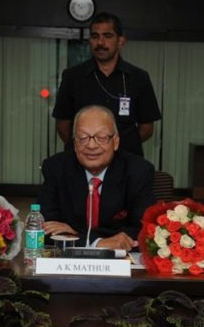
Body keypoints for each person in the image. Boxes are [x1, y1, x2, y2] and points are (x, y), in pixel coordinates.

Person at [38, 105, 155, 250]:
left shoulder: (139, 171)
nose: (91, 145)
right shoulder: (56, 168)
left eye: (101, 138)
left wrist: (76, 234)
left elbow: (143, 230)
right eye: (83, 138)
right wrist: (97, 242)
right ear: (75, 143)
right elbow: (43, 229)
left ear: (116, 141)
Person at [52, 12, 161, 157]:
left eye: (107, 36)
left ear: (120, 41)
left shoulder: (139, 77)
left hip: (126, 161)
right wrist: (88, 149)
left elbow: (147, 128)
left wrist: (117, 147)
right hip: (82, 161)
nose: (100, 43)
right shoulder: (72, 77)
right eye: (95, 36)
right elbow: (63, 127)